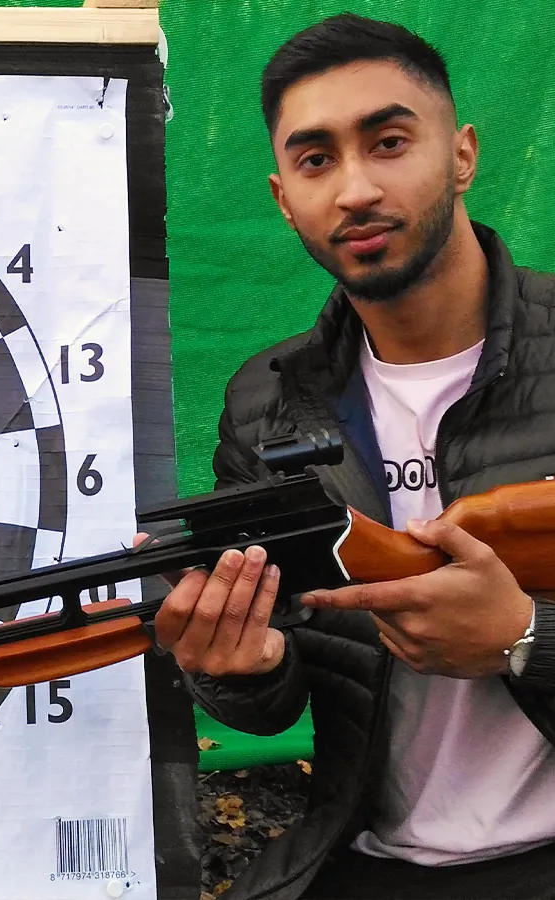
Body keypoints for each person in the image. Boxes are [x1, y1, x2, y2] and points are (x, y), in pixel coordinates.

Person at [149, 13, 555, 900]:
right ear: (283, 196)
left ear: (463, 154)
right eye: (316, 159)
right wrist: (236, 665)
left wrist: (527, 639)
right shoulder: (266, 397)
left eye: (390, 141)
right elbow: (278, 688)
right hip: (362, 864)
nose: (356, 189)